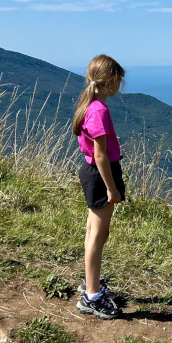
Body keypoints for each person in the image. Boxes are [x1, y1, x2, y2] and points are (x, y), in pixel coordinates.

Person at [71, 54, 126, 319]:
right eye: (119, 80)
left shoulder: (88, 104)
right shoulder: (99, 111)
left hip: (91, 171)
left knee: (94, 231)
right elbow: (101, 155)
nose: (120, 85)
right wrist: (112, 188)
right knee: (98, 235)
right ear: (110, 81)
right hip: (101, 173)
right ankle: (92, 296)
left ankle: (90, 281)